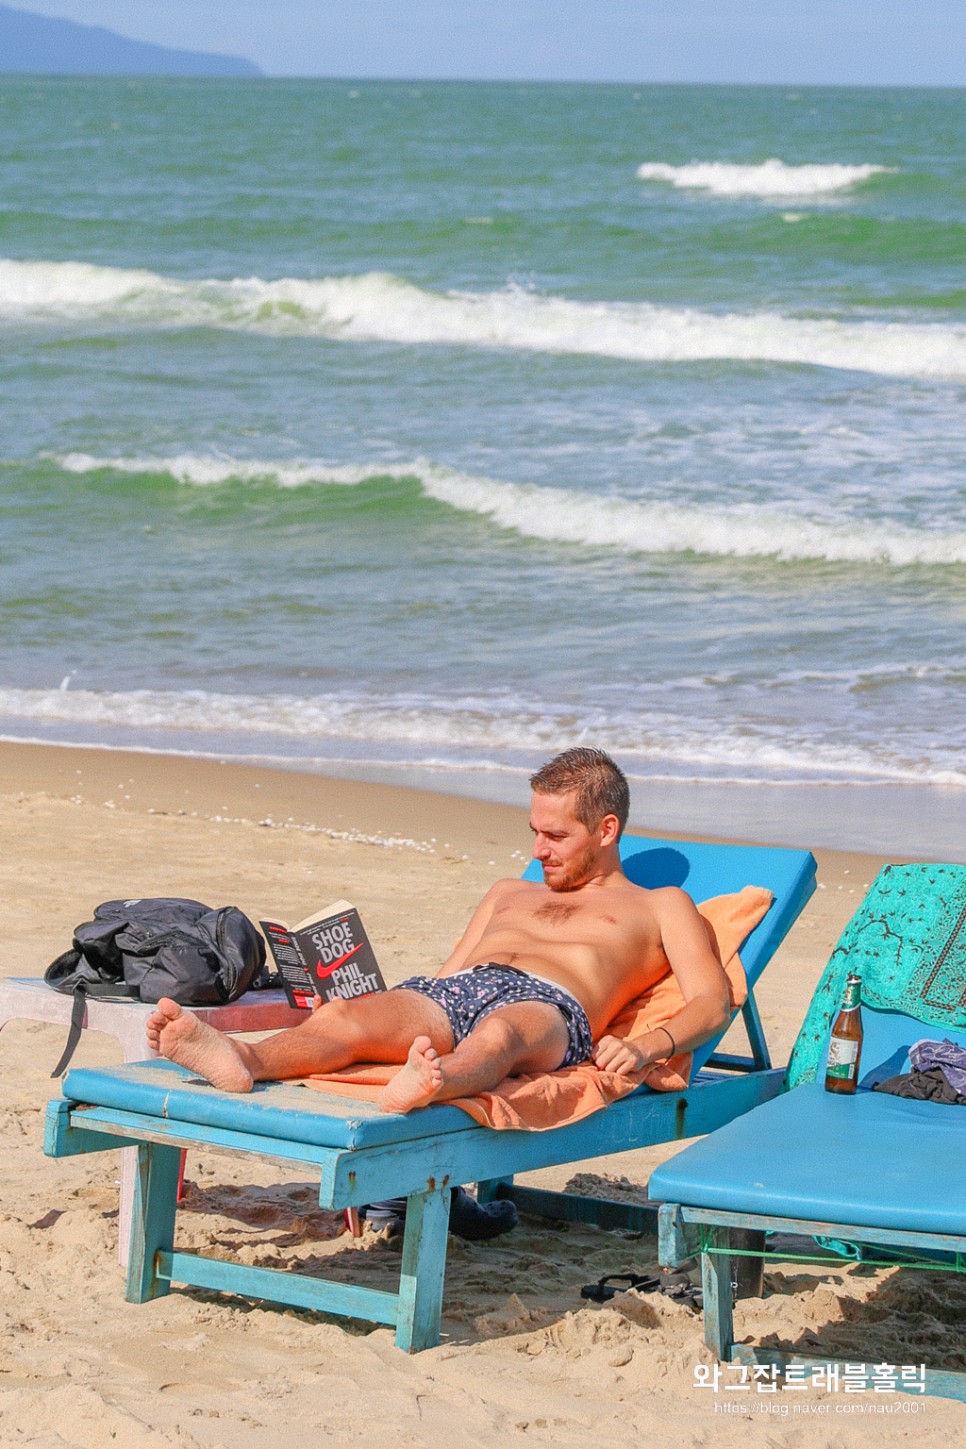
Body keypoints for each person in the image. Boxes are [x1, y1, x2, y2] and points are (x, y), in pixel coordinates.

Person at [147, 748, 731, 1116]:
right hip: (460, 990)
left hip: (552, 1007)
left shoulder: (660, 905)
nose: (538, 851)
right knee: (345, 1020)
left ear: (607, 830)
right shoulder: (510, 890)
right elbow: (452, 972)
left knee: (499, 1037)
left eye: (555, 837)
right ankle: (242, 1058)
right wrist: (382, 1007)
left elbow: (713, 1001)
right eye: (534, 831)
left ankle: (431, 1083)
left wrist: (647, 1045)